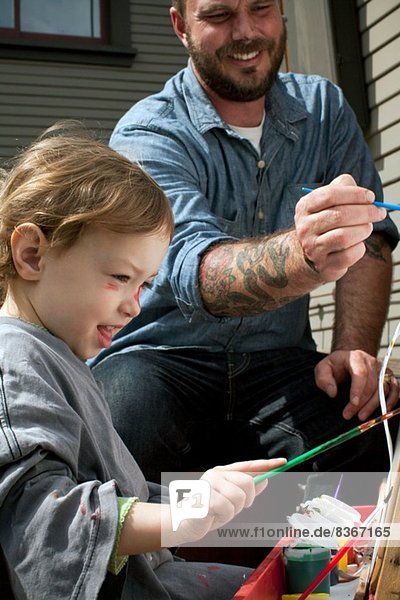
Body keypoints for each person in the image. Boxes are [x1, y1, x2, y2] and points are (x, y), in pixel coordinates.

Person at [91, 0, 400, 485]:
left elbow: (374, 238)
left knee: (373, 425)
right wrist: (303, 254)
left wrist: (351, 350)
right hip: (158, 359)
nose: (246, 32)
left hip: (280, 363)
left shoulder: (324, 110)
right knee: (112, 422)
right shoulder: (148, 132)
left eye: (261, 9)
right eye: (218, 16)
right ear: (180, 26)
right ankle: (142, 559)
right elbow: (198, 272)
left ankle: (327, 558)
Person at [0, 122, 287, 600]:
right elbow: (43, 522)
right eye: (119, 276)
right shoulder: (14, 362)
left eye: (145, 285)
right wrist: (178, 520)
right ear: (32, 254)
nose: (134, 306)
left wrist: (195, 496)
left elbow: (111, 490)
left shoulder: (57, 352)